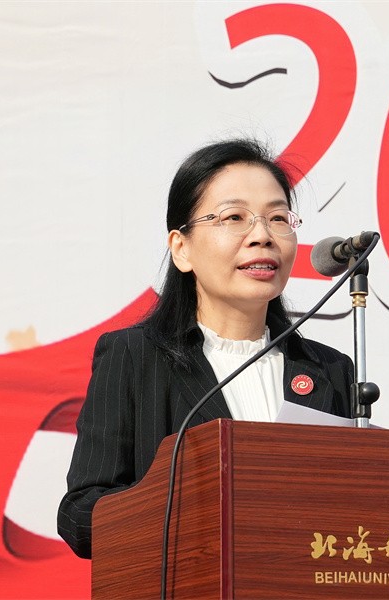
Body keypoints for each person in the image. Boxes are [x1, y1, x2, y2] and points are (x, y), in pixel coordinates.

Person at [57, 138, 354, 559]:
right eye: (234, 217)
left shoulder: (329, 370)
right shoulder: (134, 357)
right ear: (182, 248)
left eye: (277, 218)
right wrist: (198, 509)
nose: (262, 236)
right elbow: (80, 516)